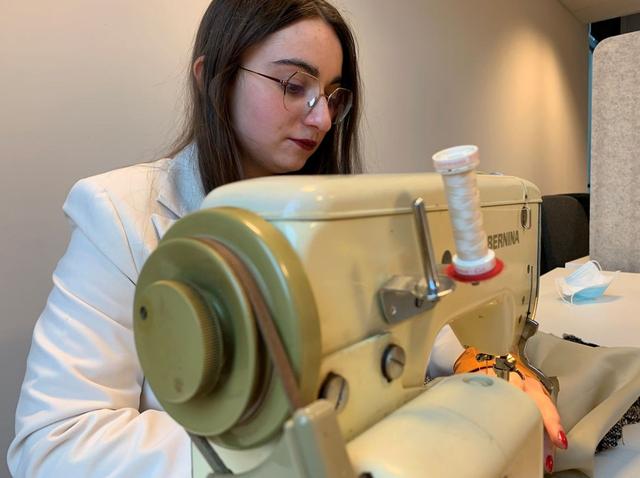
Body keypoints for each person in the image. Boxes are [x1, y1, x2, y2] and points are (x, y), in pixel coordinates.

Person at [8, 0, 564, 476]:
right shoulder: (121, 215)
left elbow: (400, 318)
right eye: (295, 86)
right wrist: (277, 449)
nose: (321, 119)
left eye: (332, 94)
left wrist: (483, 364)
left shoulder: (333, 213)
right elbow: (52, 445)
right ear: (212, 77)